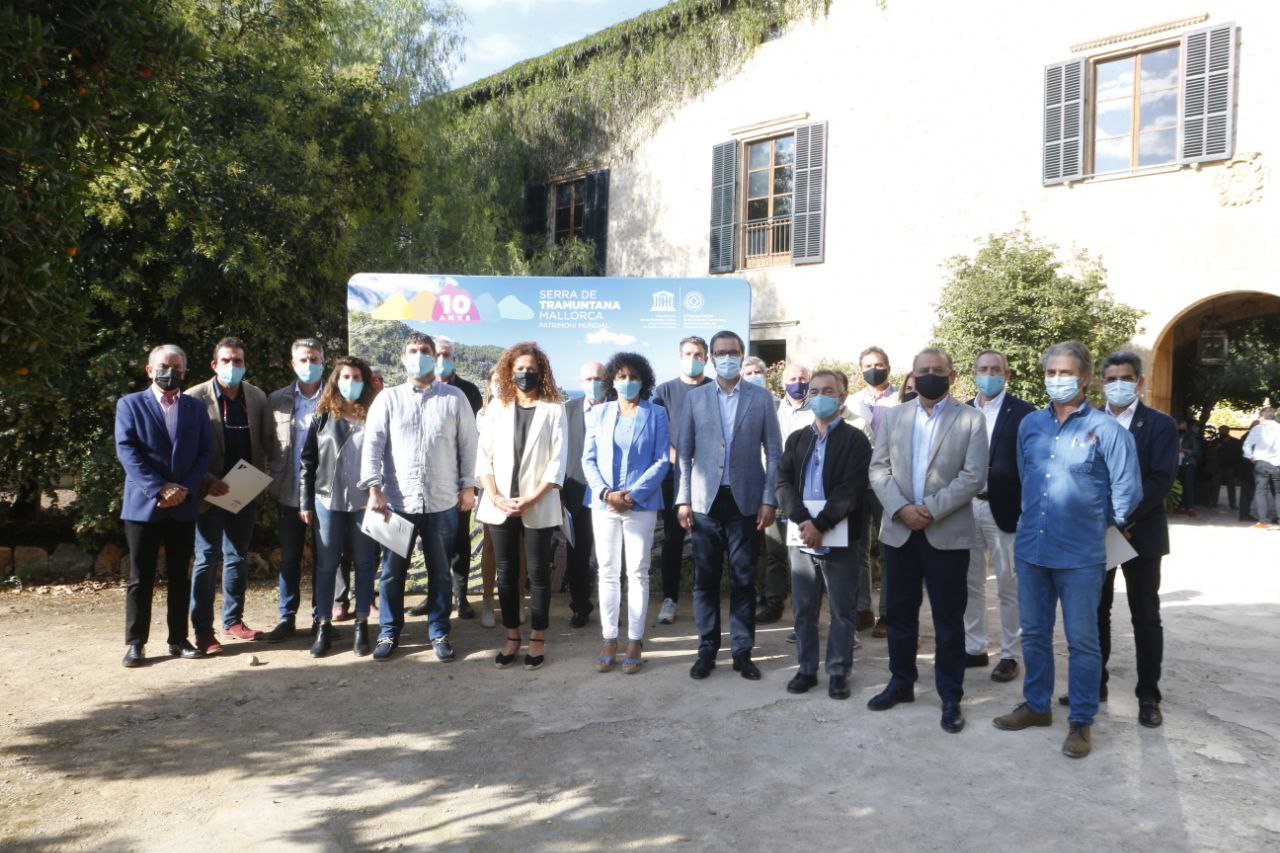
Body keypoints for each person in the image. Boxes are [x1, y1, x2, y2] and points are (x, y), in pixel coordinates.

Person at [993, 341, 1141, 759]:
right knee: (1035, 634)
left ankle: (1081, 721)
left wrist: (1095, 523)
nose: (1058, 380)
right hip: (1032, 549)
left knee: (1082, 641)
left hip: (1080, 556)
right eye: (1051, 373)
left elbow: (1128, 492)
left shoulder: (1107, 430)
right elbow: (1027, 479)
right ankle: (1037, 706)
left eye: (1067, 373)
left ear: (1086, 377)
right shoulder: (1030, 426)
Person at [866, 347, 986, 733]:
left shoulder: (971, 419)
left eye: (938, 370)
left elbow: (972, 477)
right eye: (923, 371)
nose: (929, 375)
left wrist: (929, 509)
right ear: (912, 377)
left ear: (951, 376)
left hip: (946, 532)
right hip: (900, 532)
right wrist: (902, 509)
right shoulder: (894, 416)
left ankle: (950, 695)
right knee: (899, 614)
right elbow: (878, 469)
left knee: (949, 618)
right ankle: (901, 682)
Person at [1055, 351, 1177, 727]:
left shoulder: (1159, 424)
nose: (1117, 384)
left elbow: (1160, 480)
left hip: (1140, 533)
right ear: (1099, 382)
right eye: (1110, 379)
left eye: (1125, 377)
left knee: (1145, 615)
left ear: (1139, 381)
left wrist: (1123, 516)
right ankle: (1094, 685)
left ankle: (1148, 696)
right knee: (1095, 613)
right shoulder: (1085, 421)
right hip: (1095, 535)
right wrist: (1102, 520)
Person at [361, 333, 478, 662]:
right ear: (402, 358)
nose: (419, 356)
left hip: (442, 502)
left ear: (435, 357)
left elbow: (469, 445)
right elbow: (373, 445)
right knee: (391, 573)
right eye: (413, 351)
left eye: (425, 351)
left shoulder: (454, 398)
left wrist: (468, 486)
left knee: (441, 571)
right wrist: (374, 488)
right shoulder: (388, 399)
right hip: (397, 503)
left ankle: (439, 630)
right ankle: (389, 631)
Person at [677, 329, 782, 682]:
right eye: (720, 352)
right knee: (705, 581)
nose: (727, 357)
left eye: (733, 351)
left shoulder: (761, 398)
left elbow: (774, 451)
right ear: (710, 357)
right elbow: (685, 453)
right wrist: (683, 499)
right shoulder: (696, 398)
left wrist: (769, 498)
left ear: (742, 354)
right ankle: (707, 649)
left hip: (746, 503)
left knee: (743, 578)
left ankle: (742, 651)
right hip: (706, 504)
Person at [116, 345, 214, 666]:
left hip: (183, 504)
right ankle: (135, 643)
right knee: (140, 577)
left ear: (185, 372)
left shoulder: (196, 408)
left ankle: (178, 638)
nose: (170, 371)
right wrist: (159, 488)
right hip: (144, 504)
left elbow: (204, 452)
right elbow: (128, 451)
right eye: (163, 365)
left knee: (179, 576)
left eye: (177, 367)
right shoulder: (129, 405)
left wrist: (183, 488)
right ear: (149, 370)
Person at [776, 369, 871, 699]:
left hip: (840, 535)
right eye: (814, 391)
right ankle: (806, 669)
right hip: (802, 537)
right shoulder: (797, 439)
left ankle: (838, 671)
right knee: (803, 608)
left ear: (842, 397)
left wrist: (822, 525)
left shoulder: (856, 440)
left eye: (827, 391)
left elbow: (852, 487)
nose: (819, 396)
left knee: (843, 610)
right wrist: (804, 522)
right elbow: (783, 483)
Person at [475, 342, 566, 670]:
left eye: (531, 369)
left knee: (539, 574)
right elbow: (482, 458)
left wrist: (532, 497)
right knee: (506, 573)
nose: (525, 374)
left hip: (538, 504)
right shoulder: (496, 408)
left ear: (541, 372)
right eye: (519, 368)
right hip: (499, 504)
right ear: (508, 371)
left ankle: (537, 638)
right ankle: (512, 635)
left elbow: (557, 464)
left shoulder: (554, 410)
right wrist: (496, 495)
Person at [582, 352, 670, 674]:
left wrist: (632, 495)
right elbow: (587, 459)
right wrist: (606, 493)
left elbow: (662, 460)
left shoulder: (656, 413)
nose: (627, 382)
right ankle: (609, 638)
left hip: (640, 504)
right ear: (612, 381)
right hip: (604, 504)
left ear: (643, 381)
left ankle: (634, 638)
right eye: (621, 376)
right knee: (607, 571)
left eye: (633, 377)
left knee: (637, 571)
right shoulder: (599, 413)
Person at [188, 337, 273, 644]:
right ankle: (202, 630)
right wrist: (207, 480)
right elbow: (184, 451)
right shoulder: (194, 398)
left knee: (237, 556)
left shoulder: (257, 397)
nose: (232, 366)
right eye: (226, 360)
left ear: (245, 364)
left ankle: (233, 622)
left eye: (238, 361)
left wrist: (261, 481)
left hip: (243, 490)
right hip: (207, 492)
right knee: (206, 558)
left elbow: (265, 444)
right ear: (214, 364)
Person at [299, 356, 380, 657]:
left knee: (364, 562)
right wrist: (306, 501)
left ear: (365, 381)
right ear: (336, 380)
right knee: (326, 564)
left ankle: (361, 625)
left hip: (364, 502)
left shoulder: (373, 415)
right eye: (345, 376)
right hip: (327, 501)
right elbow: (308, 461)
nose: (351, 382)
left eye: (357, 377)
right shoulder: (322, 415)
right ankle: (323, 626)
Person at [963, 350, 1034, 683]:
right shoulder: (961, 410)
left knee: (1009, 585)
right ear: (973, 373)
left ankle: (1010, 654)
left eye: (995, 369)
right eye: (982, 369)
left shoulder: (1023, 413)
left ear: (1007, 374)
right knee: (970, 583)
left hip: (1006, 509)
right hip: (965, 508)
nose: (988, 374)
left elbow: (1032, 466)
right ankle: (974, 648)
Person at [408, 335, 483, 620]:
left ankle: (460, 597)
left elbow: (470, 440)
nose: (440, 359)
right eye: (436, 353)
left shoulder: (468, 391)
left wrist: (469, 485)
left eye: (446, 354)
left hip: (458, 483)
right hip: (425, 485)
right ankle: (433, 597)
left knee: (459, 541)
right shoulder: (413, 392)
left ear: (453, 357)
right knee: (430, 543)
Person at [264, 338, 325, 643]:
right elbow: (266, 443)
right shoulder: (276, 399)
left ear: (323, 362)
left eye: (314, 358)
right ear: (292, 364)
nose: (308, 364)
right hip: (289, 491)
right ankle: (287, 618)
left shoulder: (336, 398)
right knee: (289, 557)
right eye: (302, 359)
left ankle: (320, 618)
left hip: (326, 493)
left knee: (325, 559)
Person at [651, 335, 712, 625]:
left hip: (711, 479)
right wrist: (683, 460)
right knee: (673, 541)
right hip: (673, 478)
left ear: (706, 358)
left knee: (706, 540)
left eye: (699, 354)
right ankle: (670, 598)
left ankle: (704, 598)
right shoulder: (663, 391)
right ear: (680, 357)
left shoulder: (715, 389)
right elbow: (658, 435)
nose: (693, 358)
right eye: (688, 353)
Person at [757, 362, 813, 625]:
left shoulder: (817, 411)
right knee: (775, 550)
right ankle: (774, 603)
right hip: (777, 488)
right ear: (782, 383)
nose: (798, 382)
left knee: (805, 553)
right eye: (792, 378)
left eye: (803, 378)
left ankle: (806, 608)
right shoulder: (772, 411)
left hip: (809, 491)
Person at [851, 346, 899, 637]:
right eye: (868, 365)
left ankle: (887, 614)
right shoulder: (853, 402)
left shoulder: (902, 400)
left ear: (888, 367)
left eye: (879, 364)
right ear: (860, 370)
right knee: (857, 549)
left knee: (888, 549)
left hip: (890, 483)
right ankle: (862, 609)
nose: (874, 369)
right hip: (858, 484)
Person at [560, 361, 606, 629]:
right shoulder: (567, 411)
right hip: (577, 494)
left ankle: (612, 609)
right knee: (577, 557)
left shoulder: (618, 408)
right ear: (580, 381)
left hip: (609, 496)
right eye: (588, 378)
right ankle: (580, 607)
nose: (593, 383)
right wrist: (560, 491)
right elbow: (559, 453)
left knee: (612, 559)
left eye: (598, 378)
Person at [1243, 407, 1280, 527]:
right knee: (1279, 492)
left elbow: (1247, 445)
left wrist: (1250, 457)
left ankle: (1263, 521)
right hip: (1278, 464)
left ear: (1262, 417)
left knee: (1261, 492)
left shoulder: (1258, 428)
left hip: (1262, 463)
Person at [1208, 425, 1241, 510]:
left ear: (1228, 431)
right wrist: (1216, 448)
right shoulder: (1215, 441)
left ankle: (1232, 503)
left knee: (1231, 486)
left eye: (1223, 430)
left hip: (1230, 467)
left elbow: (1238, 455)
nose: (1221, 432)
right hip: (1218, 467)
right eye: (1220, 430)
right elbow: (1210, 453)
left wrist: (1237, 468)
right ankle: (1213, 502)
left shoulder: (1235, 442)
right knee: (1215, 485)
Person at [1175, 419, 1199, 517]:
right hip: (1177, 464)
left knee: (1188, 486)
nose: (1182, 427)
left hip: (1188, 463)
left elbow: (1196, 451)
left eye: (1184, 426)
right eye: (1180, 425)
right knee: (1179, 486)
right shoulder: (1174, 435)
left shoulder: (1191, 436)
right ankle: (1181, 506)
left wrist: (1184, 450)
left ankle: (1190, 507)